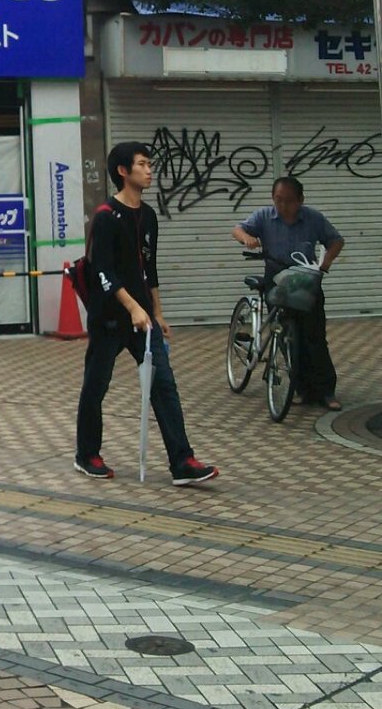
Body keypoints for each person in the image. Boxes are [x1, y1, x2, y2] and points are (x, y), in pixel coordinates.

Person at [75, 141, 219, 487]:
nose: (149, 170)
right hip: (110, 318)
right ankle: (87, 454)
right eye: (142, 164)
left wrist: (156, 312)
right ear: (123, 171)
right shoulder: (106, 217)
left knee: (164, 385)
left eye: (149, 164)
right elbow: (103, 271)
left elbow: (148, 269)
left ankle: (183, 462)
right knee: (96, 385)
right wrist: (133, 307)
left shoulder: (149, 215)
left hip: (143, 319)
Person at [232, 176, 344, 409]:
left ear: (300, 200)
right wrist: (247, 239)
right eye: (278, 200)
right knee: (286, 336)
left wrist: (325, 263)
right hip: (276, 280)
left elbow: (336, 241)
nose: (283, 205)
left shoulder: (313, 218)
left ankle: (326, 391)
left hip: (305, 280)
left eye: (289, 201)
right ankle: (300, 388)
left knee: (314, 337)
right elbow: (238, 229)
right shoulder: (264, 216)